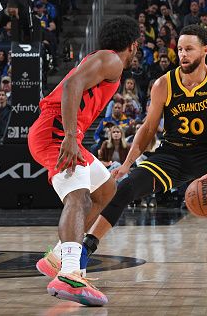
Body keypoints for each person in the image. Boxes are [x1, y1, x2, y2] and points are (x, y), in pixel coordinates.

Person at [36, 25, 207, 289]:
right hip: (172, 155)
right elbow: (148, 128)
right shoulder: (164, 84)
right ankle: (84, 250)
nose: (183, 54)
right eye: (179, 49)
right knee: (123, 188)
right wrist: (128, 163)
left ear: (205, 50)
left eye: (189, 49)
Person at [27, 17, 139, 306]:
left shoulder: (105, 61)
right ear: (133, 46)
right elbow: (71, 85)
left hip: (61, 131)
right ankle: (69, 274)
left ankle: (56, 258)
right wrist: (70, 137)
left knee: (105, 190)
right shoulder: (112, 60)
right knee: (79, 198)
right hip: (55, 132)